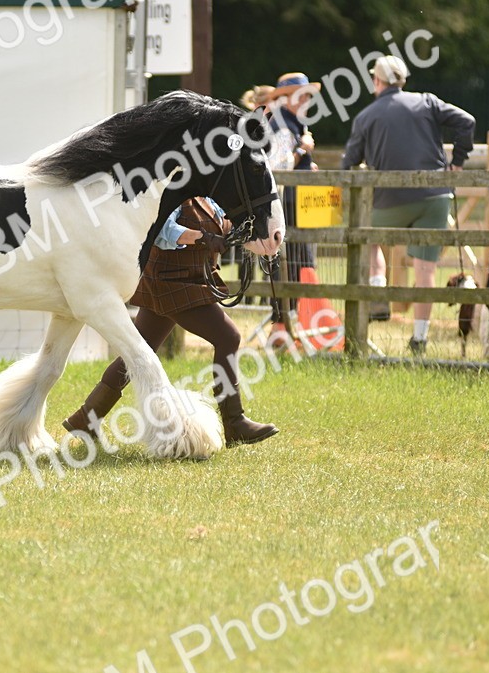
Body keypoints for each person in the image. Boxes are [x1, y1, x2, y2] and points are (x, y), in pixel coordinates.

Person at [61, 196, 279, 447]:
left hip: (185, 280)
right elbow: (164, 230)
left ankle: (85, 419)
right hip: (171, 284)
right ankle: (234, 421)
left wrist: (250, 235)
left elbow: (224, 224)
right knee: (228, 337)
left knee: (138, 352)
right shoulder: (173, 192)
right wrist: (202, 238)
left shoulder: (206, 198)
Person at [340, 55, 476, 356]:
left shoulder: (366, 116)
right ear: (402, 80)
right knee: (426, 269)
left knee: (370, 240)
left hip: (389, 199)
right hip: (434, 197)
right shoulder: (427, 102)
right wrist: (458, 163)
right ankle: (419, 339)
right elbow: (467, 122)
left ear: (377, 81)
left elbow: (348, 163)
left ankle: (377, 294)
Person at [261, 73, 320, 346]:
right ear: (286, 99)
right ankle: (283, 328)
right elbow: (279, 167)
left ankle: (289, 327)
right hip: (287, 206)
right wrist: (302, 150)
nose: (306, 99)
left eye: (307, 95)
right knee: (294, 263)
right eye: (301, 95)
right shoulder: (285, 126)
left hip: (294, 204)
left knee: (298, 262)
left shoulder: (291, 123)